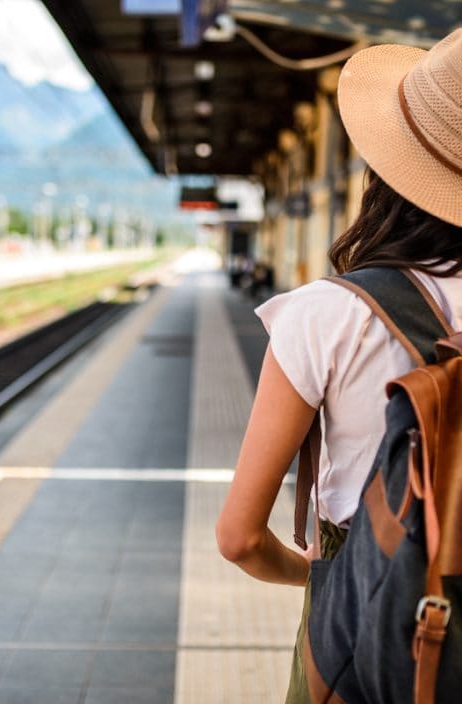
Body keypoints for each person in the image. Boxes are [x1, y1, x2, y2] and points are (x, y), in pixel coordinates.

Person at [216, 27, 462, 703]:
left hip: (367, 634)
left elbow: (239, 537)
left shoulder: (330, 314)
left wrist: (325, 577)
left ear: (387, 173)